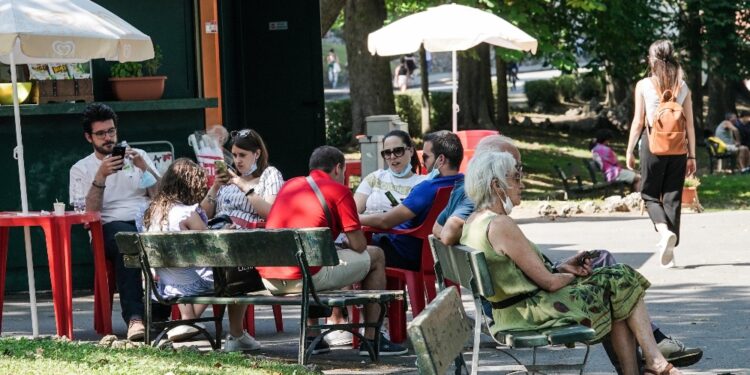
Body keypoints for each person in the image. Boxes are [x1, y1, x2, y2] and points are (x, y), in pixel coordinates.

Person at [433, 135, 703, 370]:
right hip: (529, 313)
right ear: (496, 185)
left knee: (614, 286)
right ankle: (655, 360)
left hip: (515, 307)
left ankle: (652, 362)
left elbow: (524, 273)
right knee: (620, 278)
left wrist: (565, 268)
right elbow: (548, 283)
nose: (522, 184)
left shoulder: (476, 220)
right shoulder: (500, 224)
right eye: (516, 177)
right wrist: (572, 276)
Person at [256, 146, 408, 357]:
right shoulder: (340, 191)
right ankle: (372, 340)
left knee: (314, 258)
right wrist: (345, 244)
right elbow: (359, 246)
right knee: (376, 256)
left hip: (270, 279)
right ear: (338, 168)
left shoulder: (289, 186)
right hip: (306, 278)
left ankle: (312, 338)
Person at [142, 158, 261, 351]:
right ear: (191, 187)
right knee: (238, 279)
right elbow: (212, 249)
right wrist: (226, 233)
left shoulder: (153, 212)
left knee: (187, 270)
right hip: (193, 284)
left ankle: (188, 321)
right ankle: (237, 335)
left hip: (164, 285)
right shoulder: (187, 213)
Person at [69, 103, 162, 341]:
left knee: (169, 239)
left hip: (146, 222)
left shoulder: (138, 156)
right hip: (108, 227)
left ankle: (166, 317)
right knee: (127, 243)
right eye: (101, 134)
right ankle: (135, 318)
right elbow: (87, 215)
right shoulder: (81, 169)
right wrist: (100, 177)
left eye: (111, 131)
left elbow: (162, 198)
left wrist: (146, 168)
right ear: (88, 137)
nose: (108, 138)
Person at [626, 39, 696, 269]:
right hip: (678, 148)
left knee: (648, 195)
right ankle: (670, 254)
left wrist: (629, 150)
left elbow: (638, 122)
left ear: (651, 60)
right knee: (672, 197)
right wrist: (692, 156)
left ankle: (664, 232)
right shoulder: (682, 86)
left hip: (652, 145)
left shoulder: (644, 85)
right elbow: (690, 126)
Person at [361, 130, 463, 271]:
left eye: (426, 157)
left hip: (405, 252)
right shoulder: (464, 184)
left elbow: (385, 222)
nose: (422, 161)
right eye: (386, 153)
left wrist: (353, 218)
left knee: (352, 248)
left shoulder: (427, 188)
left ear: (441, 160)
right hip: (441, 256)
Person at [200, 128, 283, 228]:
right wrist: (215, 187)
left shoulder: (269, 174)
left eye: (242, 155)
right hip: (218, 230)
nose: (237, 160)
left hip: (246, 235)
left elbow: (271, 213)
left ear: (257, 154)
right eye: (234, 155)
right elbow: (202, 217)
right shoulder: (229, 179)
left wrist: (245, 187)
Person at [354, 130, 425, 214]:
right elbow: (353, 212)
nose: (392, 157)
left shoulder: (422, 183)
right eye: (387, 152)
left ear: (411, 151)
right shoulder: (374, 178)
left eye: (398, 151)